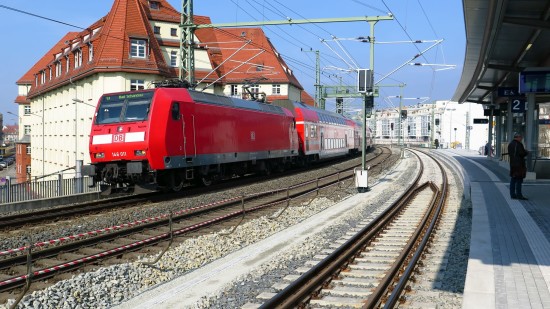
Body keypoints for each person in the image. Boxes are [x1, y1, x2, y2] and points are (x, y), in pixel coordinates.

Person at [507, 132, 529, 200]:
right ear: (518, 137)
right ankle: (519, 195)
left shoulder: (510, 144)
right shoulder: (519, 144)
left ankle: (512, 194)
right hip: (519, 165)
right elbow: (521, 154)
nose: (521, 139)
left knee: (513, 179)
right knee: (519, 180)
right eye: (521, 137)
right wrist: (526, 152)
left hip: (513, 164)